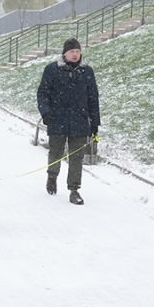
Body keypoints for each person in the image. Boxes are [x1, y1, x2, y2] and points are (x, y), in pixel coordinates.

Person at [37, 38, 101, 205]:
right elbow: (43, 93)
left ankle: (74, 189)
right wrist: (46, 112)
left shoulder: (87, 72)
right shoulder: (52, 70)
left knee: (76, 156)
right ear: (65, 53)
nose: (75, 54)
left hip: (80, 121)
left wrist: (94, 122)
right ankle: (52, 176)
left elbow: (93, 98)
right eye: (72, 51)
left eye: (78, 51)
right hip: (57, 119)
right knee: (55, 152)